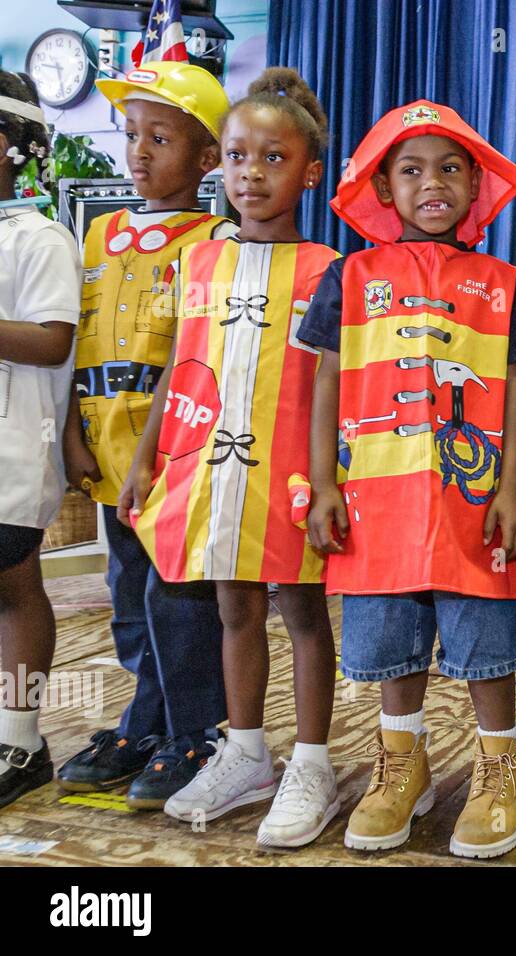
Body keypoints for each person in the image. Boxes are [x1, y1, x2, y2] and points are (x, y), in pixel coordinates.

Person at [300, 100, 516, 858]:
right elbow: (326, 383)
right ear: (384, 188)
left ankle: (502, 766)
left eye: (451, 167)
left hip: (473, 499)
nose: (432, 182)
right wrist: (324, 483)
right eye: (411, 169)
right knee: (388, 638)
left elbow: (514, 381)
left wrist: (508, 487)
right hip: (376, 496)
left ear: (475, 185)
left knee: (483, 634)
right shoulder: (349, 276)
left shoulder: (502, 281)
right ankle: (402, 763)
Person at [125, 69, 340, 848]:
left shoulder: (328, 271)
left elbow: (331, 391)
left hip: (290, 473)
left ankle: (311, 761)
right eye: (240, 156)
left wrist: (325, 483)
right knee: (234, 608)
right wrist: (147, 459)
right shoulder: (200, 262)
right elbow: (182, 367)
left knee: (303, 612)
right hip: (211, 467)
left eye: (273, 158)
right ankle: (245, 749)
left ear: (309, 171)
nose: (252, 173)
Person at [57, 59, 233, 810]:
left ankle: (197, 730)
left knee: (181, 601)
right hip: (105, 452)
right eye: (132, 135)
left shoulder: (216, 237)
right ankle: (147, 718)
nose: (139, 152)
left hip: (177, 461)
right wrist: (70, 432)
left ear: (205, 158)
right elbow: (75, 346)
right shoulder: (98, 236)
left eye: (160, 138)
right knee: (130, 598)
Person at [0, 73, 81, 809]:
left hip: (10, 448)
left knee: (13, 586)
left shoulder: (39, 237)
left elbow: (53, 341)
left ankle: (20, 739)